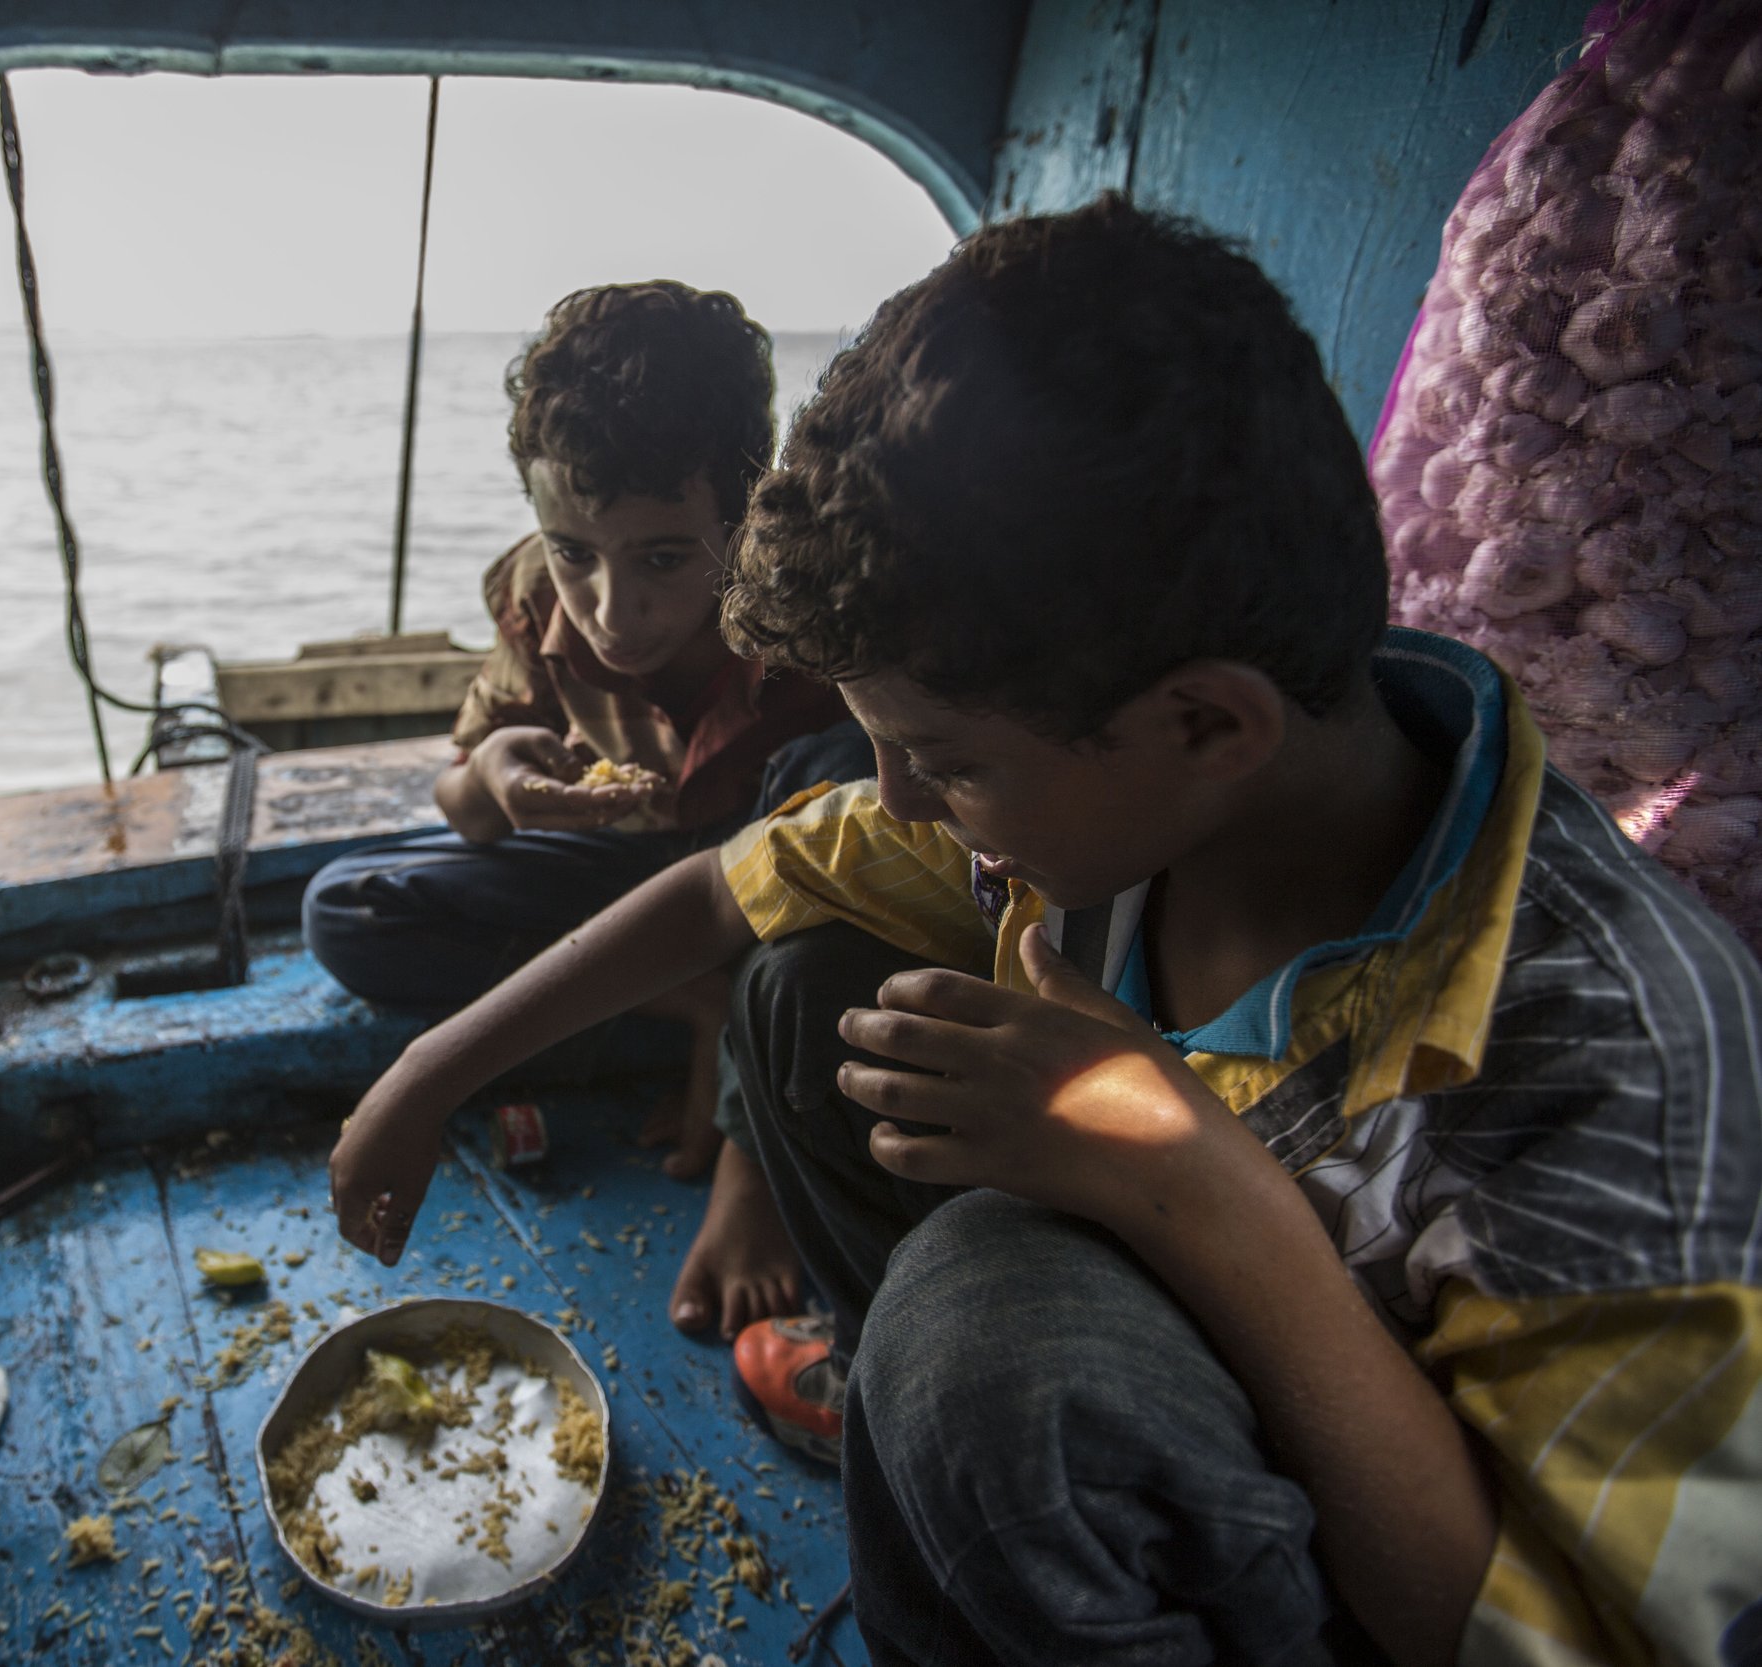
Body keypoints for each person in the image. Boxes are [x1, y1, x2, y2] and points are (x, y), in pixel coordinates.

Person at [328, 198, 1762, 1666]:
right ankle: (976, 1514)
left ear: (1207, 722)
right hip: (1180, 1355)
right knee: (807, 992)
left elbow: (1560, 1637)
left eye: (941, 761)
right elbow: (726, 886)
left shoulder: (1622, 1064)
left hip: (1383, 1571)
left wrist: (1199, 1186)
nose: (896, 798)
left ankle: (988, 1466)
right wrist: (424, 1074)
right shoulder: (1135, 782)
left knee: (982, 1330)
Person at [303, 280, 868, 1340]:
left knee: (832, 777)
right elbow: (464, 800)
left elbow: (857, 855)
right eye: (574, 552)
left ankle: (751, 1153)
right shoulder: (531, 595)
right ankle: (702, 1003)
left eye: (661, 557)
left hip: (783, 893)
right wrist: (493, 782)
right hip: (624, 872)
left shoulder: (807, 613)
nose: (611, 609)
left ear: (742, 514)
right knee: (347, 908)